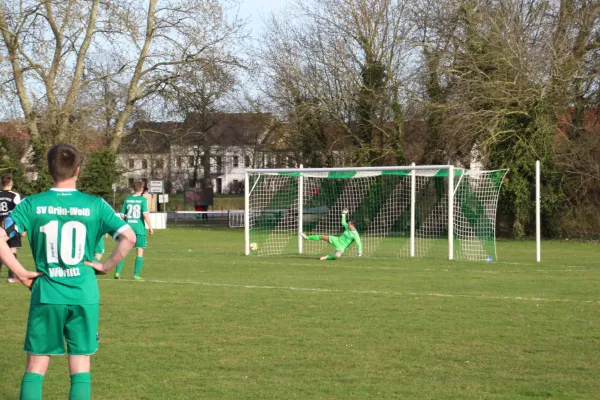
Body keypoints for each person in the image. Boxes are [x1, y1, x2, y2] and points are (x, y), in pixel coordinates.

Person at [0, 143, 136, 400]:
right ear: (77, 170)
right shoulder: (96, 204)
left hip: (47, 293)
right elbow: (128, 237)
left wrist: (20, 272)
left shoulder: (32, 204)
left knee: (36, 365)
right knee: (80, 365)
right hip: (83, 294)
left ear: (50, 170)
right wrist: (105, 266)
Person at [114, 180, 153, 280]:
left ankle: (117, 273)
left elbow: (122, 214)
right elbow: (145, 215)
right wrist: (150, 227)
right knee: (139, 251)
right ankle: (136, 275)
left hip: (128, 229)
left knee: (123, 251)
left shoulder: (127, 199)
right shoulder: (143, 200)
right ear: (142, 189)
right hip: (139, 229)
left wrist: (128, 220)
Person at [0, 173, 22, 282]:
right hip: (11, 225)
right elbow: (19, 211)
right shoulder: (14, 195)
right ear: (11, 182)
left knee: (0, 249)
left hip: (0, 226)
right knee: (12, 248)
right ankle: (11, 276)